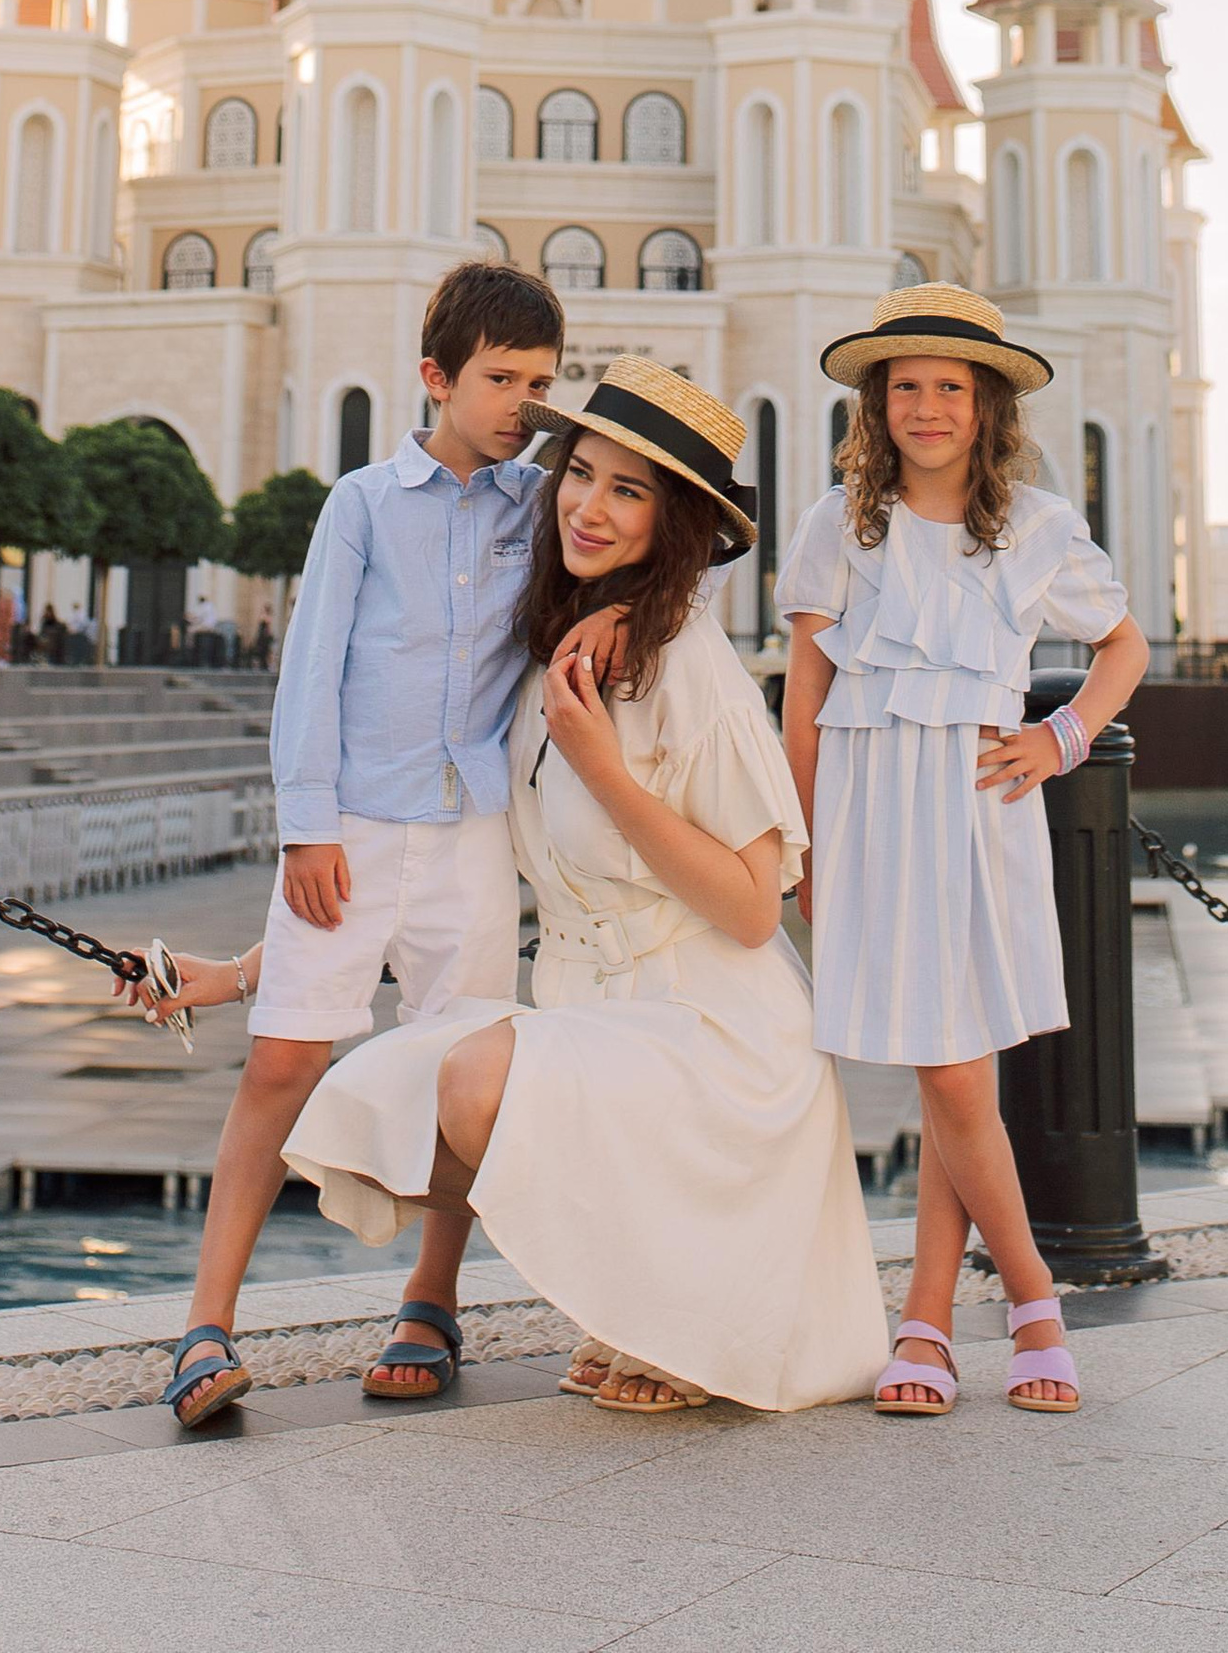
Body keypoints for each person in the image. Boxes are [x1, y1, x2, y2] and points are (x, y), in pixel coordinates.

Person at [272, 360, 887, 1416]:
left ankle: (677, 1317)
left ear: (675, 523)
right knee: (402, 1082)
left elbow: (750, 907)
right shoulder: (553, 645)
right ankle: (635, 1308)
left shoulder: (688, 663)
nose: (587, 508)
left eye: (627, 491)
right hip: (595, 1003)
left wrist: (604, 767)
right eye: (581, 475)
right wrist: (253, 962)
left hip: (709, 1026)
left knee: (468, 1079)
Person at [136, 259, 566, 1433]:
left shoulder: (540, 505)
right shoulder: (362, 505)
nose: (519, 402)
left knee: (457, 1076)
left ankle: (429, 1304)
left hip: (470, 831)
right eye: (497, 378)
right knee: (282, 1061)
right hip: (354, 829)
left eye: (538, 382)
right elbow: (311, 668)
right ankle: (206, 1324)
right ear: (435, 376)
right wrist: (306, 828)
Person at [779, 282, 1149, 1420]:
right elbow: (803, 699)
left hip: (977, 800)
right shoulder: (836, 521)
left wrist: (1061, 738)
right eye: (906, 388)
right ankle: (932, 1321)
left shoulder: (1037, 525)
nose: (927, 407)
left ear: (987, 406)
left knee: (951, 1064)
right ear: (875, 404)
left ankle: (1028, 1297)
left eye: (949, 388)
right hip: (864, 798)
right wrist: (801, 846)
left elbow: (1123, 645)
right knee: (956, 1070)